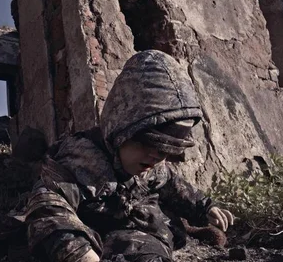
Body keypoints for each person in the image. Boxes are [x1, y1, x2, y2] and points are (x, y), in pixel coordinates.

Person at [24, 50, 234, 262]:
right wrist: (75, 251)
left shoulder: (153, 166)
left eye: (165, 151)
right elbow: (48, 205)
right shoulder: (82, 160)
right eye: (149, 144)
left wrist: (205, 207)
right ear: (121, 131)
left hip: (137, 235)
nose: (156, 157)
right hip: (91, 234)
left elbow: (172, 184)